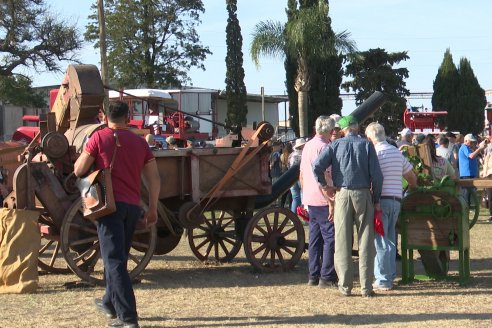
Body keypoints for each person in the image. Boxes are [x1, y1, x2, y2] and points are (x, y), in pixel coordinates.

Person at [74, 101, 160, 328]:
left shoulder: (98, 138)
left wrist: (87, 152)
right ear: (128, 116)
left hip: (108, 206)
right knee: (119, 259)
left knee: (113, 262)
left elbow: (79, 170)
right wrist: (152, 208)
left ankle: (128, 317)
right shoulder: (140, 143)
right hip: (133, 207)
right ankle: (109, 303)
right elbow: (154, 178)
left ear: (103, 115)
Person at [313, 115, 383, 297]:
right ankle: (366, 287)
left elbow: (317, 167)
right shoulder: (367, 145)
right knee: (366, 241)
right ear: (357, 127)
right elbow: (377, 176)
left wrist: (325, 186)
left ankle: (345, 286)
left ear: (343, 130)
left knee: (342, 241)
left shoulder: (335, 145)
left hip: (342, 194)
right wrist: (376, 199)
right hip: (363, 194)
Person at [365, 123, 417, 291]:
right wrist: (407, 189)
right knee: (391, 239)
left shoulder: (375, 153)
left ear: (371, 137)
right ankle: (391, 274)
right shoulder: (396, 152)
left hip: (381, 200)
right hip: (396, 199)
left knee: (380, 240)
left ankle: (383, 279)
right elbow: (411, 177)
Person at [299, 116, 338, 288]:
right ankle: (327, 275)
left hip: (310, 197)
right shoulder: (325, 147)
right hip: (323, 198)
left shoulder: (307, 145)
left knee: (314, 238)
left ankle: (313, 274)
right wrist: (331, 198)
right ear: (330, 131)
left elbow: (301, 173)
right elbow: (327, 175)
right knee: (330, 237)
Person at [288, 138, 305, 214]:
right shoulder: (303, 154)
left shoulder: (291, 155)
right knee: (303, 197)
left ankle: (293, 216)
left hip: (291, 178)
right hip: (301, 177)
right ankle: (305, 216)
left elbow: (288, 165)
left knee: (295, 198)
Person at [480, 137, 492, 222]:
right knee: (490, 196)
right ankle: (491, 214)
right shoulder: (489, 150)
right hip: (489, 174)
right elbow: (486, 163)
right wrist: (484, 174)